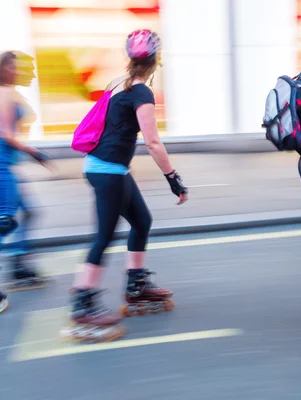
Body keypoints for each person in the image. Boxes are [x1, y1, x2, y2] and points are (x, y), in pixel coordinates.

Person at [62, 30, 188, 341]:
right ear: (156, 61)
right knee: (103, 237)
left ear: (130, 58)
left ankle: (136, 285)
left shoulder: (118, 83)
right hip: (108, 171)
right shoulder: (141, 93)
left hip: (109, 168)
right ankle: (82, 301)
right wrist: (173, 179)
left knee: (142, 221)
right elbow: (154, 143)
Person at [0, 51, 52, 313]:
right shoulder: (5, 93)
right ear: (3, 69)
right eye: (13, 66)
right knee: (4, 223)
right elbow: (7, 135)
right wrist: (35, 153)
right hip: (2, 169)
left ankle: (18, 263)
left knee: (28, 213)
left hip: (6, 167)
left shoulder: (9, 92)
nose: (17, 70)